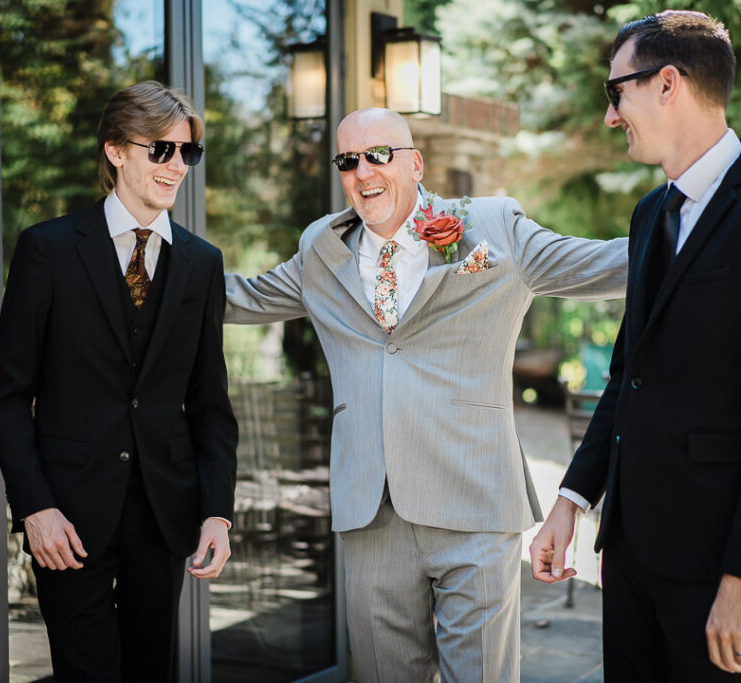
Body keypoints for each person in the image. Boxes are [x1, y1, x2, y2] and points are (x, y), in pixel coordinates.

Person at [223, 107, 628, 681]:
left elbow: (604, 264)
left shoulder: (492, 226)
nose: (363, 172)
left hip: (474, 502)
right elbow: (244, 297)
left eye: (378, 155)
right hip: (372, 516)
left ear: (415, 164)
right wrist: (143, 266)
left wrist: (702, 234)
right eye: (348, 161)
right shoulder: (322, 249)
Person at [528, 10, 741, 682]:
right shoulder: (648, 215)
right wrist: (571, 499)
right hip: (628, 556)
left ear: (668, 83)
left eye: (617, 92)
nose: (611, 116)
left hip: (716, 567)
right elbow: (628, 376)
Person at [0, 81, 238, 682]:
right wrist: (35, 507)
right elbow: (8, 397)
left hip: (164, 512)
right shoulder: (47, 250)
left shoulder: (202, 263)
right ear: (116, 151)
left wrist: (217, 514)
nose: (177, 165)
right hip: (67, 518)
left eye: (187, 152)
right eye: (161, 149)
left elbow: (209, 404)